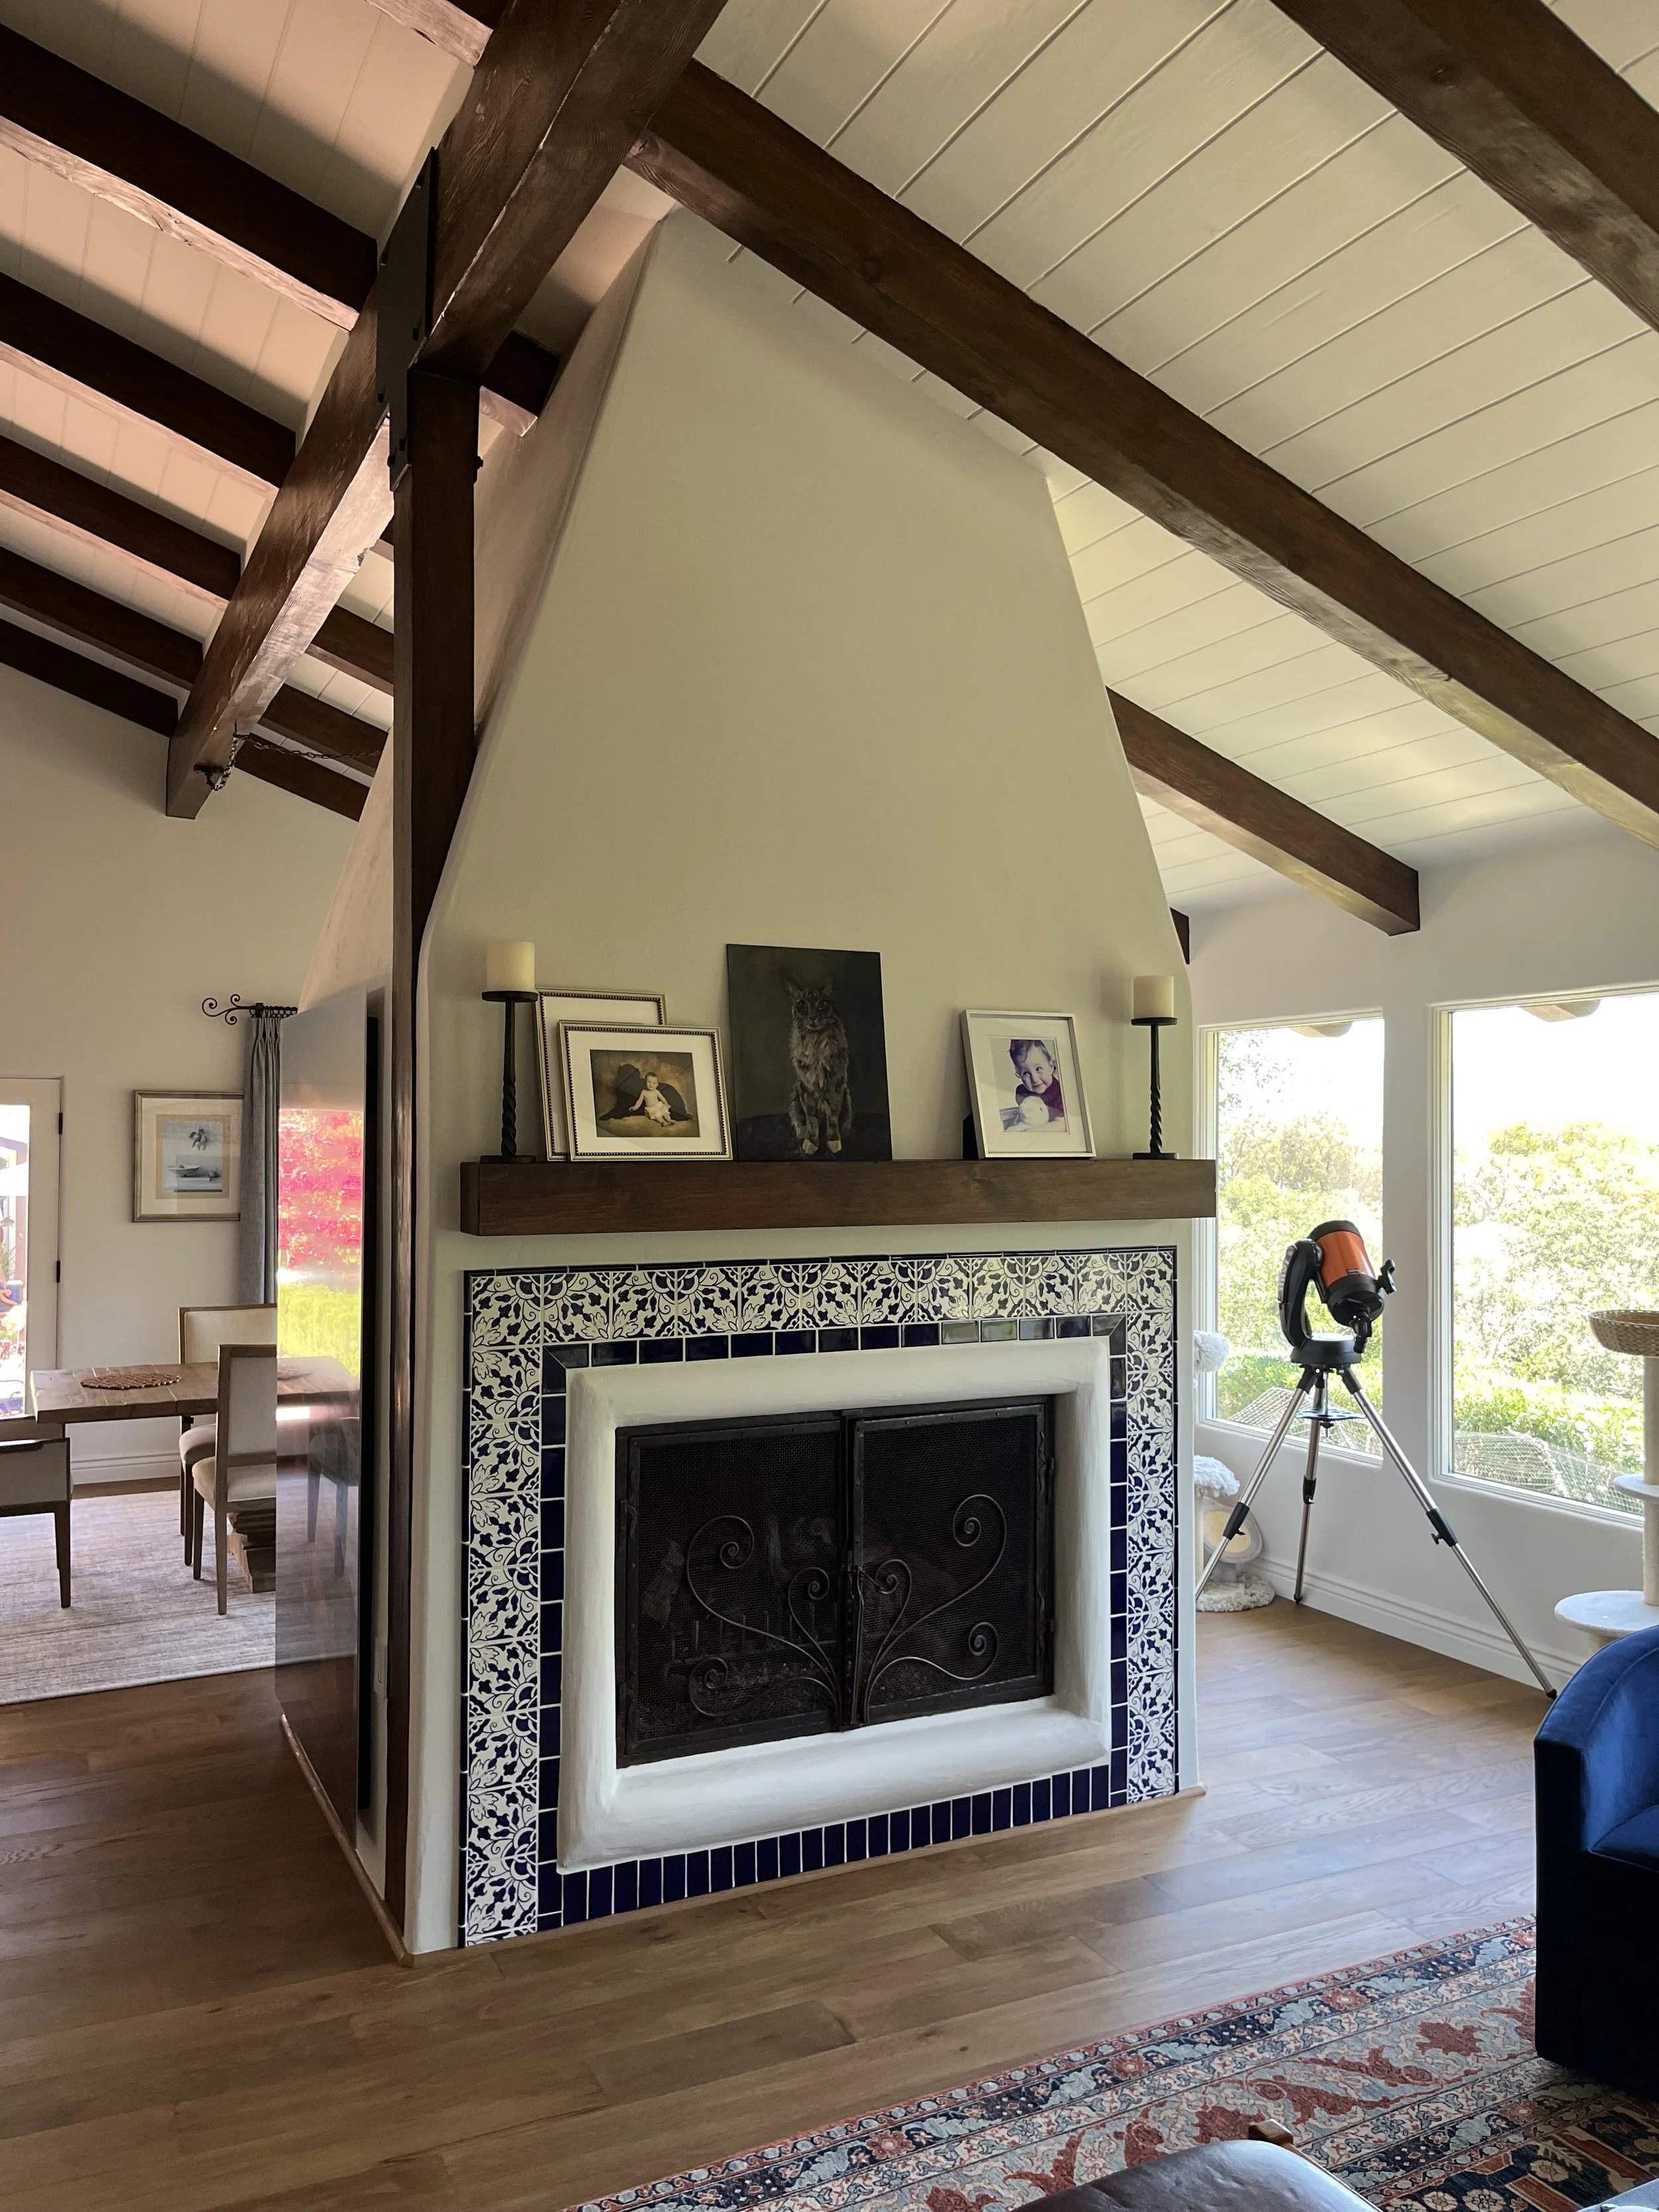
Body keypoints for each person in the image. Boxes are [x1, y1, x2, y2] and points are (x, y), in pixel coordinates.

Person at [1006, 1038, 1066, 1129]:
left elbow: (1062, 1125)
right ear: (1018, 1074)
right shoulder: (1022, 1093)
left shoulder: (1060, 1093)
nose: (1034, 1079)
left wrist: (1029, 1132)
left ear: (1051, 1066)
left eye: (1038, 1069)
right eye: (1026, 1073)